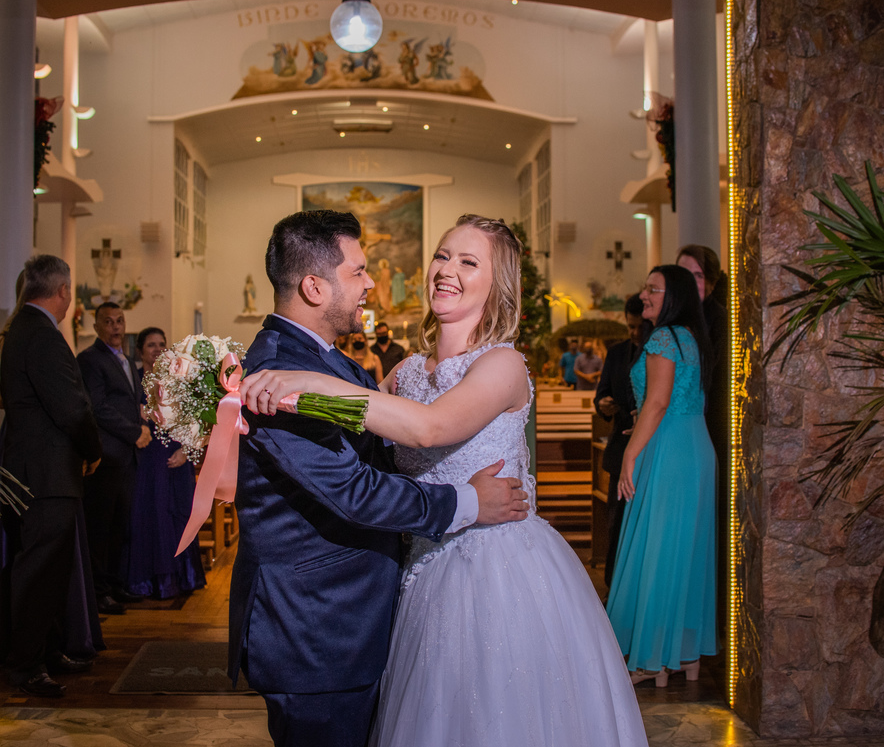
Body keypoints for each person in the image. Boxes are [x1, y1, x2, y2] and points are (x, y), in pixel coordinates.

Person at [241, 215, 648, 747]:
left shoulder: (502, 364)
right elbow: (365, 454)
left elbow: (429, 428)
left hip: (497, 570)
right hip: (416, 572)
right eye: (442, 255)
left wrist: (309, 382)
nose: (446, 269)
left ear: (497, 285)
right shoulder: (406, 373)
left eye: (468, 261)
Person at [228, 209, 531, 747]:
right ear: (315, 287)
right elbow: (355, 487)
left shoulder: (323, 365)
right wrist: (467, 502)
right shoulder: (283, 374)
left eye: (468, 261)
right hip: (317, 625)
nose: (372, 283)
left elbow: (409, 434)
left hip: (450, 582)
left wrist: (317, 383)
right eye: (359, 272)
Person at [0, 270, 106, 672]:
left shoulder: (21, 328)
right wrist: (93, 449)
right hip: (46, 473)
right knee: (38, 572)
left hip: (33, 469)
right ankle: (28, 665)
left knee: (48, 571)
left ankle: (46, 653)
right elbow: (71, 407)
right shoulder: (42, 334)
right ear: (63, 290)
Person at [606, 264, 718, 686]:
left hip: (667, 450)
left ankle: (650, 661)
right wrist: (643, 423)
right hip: (695, 445)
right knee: (683, 552)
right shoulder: (691, 337)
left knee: (655, 549)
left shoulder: (663, 338)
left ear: (674, 297)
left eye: (653, 289)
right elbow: (673, 401)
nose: (644, 295)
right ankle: (683, 656)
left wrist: (630, 454)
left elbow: (657, 404)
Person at [76, 303, 153, 615]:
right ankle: (98, 592)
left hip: (127, 457)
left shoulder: (126, 360)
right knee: (100, 526)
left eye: (120, 321)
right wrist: (134, 432)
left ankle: (115, 583)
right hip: (107, 455)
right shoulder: (90, 359)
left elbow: (130, 402)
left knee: (120, 524)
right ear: (96, 327)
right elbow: (98, 406)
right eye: (108, 322)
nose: (116, 327)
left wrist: (142, 423)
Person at [122, 327, 206, 599]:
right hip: (147, 457)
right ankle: (151, 581)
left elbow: (197, 421)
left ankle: (183, 577)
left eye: (161, 344)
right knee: (151, 515)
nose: (157, 349)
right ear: (139, 351)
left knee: (178, 513)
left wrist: (186, 450)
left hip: (176, 455)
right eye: (151, 345)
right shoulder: (132, 381)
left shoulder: (178, 379)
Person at [677, 243, 731, 630]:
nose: (691, 283)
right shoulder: (680, 321)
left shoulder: (719, 320)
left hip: (708, 432)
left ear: (711, 281)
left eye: (697, 275)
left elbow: (713, 387)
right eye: (684, 274)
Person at [594, 294, 646, 589]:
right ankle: (612, 588)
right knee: (616, 524)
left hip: (649, 450)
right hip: (620, 447)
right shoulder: (616, 354)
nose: (635, 333)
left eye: (639, 327)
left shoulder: (657, 352)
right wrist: (603, 404)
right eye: (630, 327)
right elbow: (601, 394)